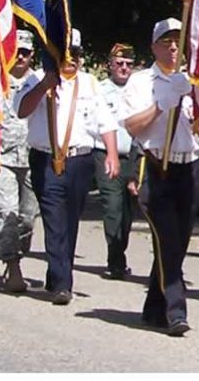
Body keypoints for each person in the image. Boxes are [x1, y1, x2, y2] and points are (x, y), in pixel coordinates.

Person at [17, 29, 122, 305]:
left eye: (76, 54)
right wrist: (44, 87)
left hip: (80, 160)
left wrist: (111, 153)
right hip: (46, 159)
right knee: (54, 217)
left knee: (71, 218)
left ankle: (57, 273)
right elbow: (21, 109)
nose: (71, 60)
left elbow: (105, 122)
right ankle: (63, 282)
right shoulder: (37, 79)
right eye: (65, 54)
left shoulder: (89, 84)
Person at [120, 18, 199, 336]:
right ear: (154, 46)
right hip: (156, 167)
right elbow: (132, 126)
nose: (173, 47)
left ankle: (154, 307)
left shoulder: (194, 80)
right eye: (166, 41)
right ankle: (176, 311)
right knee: (167, 238)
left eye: (178, 41)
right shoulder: (142, 82)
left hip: (190, 167)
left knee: (177, 242)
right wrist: (160, 106)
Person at [0, 32, 40, 293]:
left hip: (33, 156)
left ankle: (19, 254)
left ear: (32, 54)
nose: (20, 56)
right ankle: (12, 265)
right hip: (3, 156)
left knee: (28, 218)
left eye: (25, 52)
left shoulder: (40, 80)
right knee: (6, 211)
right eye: (16, 51)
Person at [93, 42, 141, 281]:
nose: (124, 68)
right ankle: (115, 261)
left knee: (127, 214)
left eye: (129, 65)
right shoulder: (100, 90)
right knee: (112, 208)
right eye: (119, 64)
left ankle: (119, 251)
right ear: (109, 65)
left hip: (133, 157)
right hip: (106, 156)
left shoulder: (139, 89)